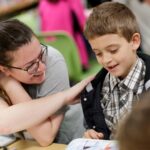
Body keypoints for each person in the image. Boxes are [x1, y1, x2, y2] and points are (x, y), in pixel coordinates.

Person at [0, 19, 88, 146]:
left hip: (67, 142)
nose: (42, 67)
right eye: (30, 66)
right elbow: (4, 122)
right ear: (4, 69)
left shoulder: (51, 59)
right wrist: (9, 82)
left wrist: (6, 81)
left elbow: (45, 136)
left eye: (40, 54)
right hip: (22, 144)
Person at [80, 2, 150, 140]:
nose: (106, 60)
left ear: (134, 41)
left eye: (113, 50)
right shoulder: (94, 90)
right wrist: (91, 135)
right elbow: (94, 128)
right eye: (98, 54)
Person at [38, 0, 89, 70]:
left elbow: (42, 29)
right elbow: (83, 24)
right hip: (77, 62)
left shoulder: (42, 4)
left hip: (54, 59)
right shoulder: (71, 2)